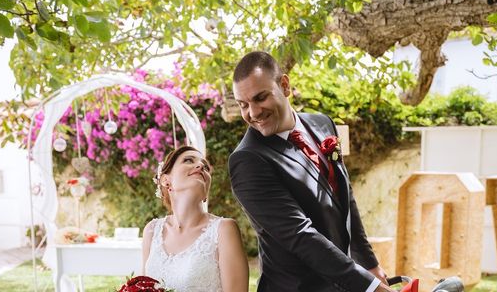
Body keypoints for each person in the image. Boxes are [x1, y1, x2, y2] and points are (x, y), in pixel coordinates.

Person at [229, 51, 393, 292]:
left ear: (284, 85)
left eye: (260, 98)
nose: (253, 113)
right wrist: (368, 287)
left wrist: (369, 264)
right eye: (243, 105)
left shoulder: (323, 123)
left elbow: (344, 195)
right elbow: (300, 235)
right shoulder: (248, 160)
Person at [141, 145, 249, 292]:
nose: (200, 166)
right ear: (166, 180)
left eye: (205, 167)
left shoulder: (224, 230)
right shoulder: (151, 231)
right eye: (188, 160)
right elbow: (142, 285)